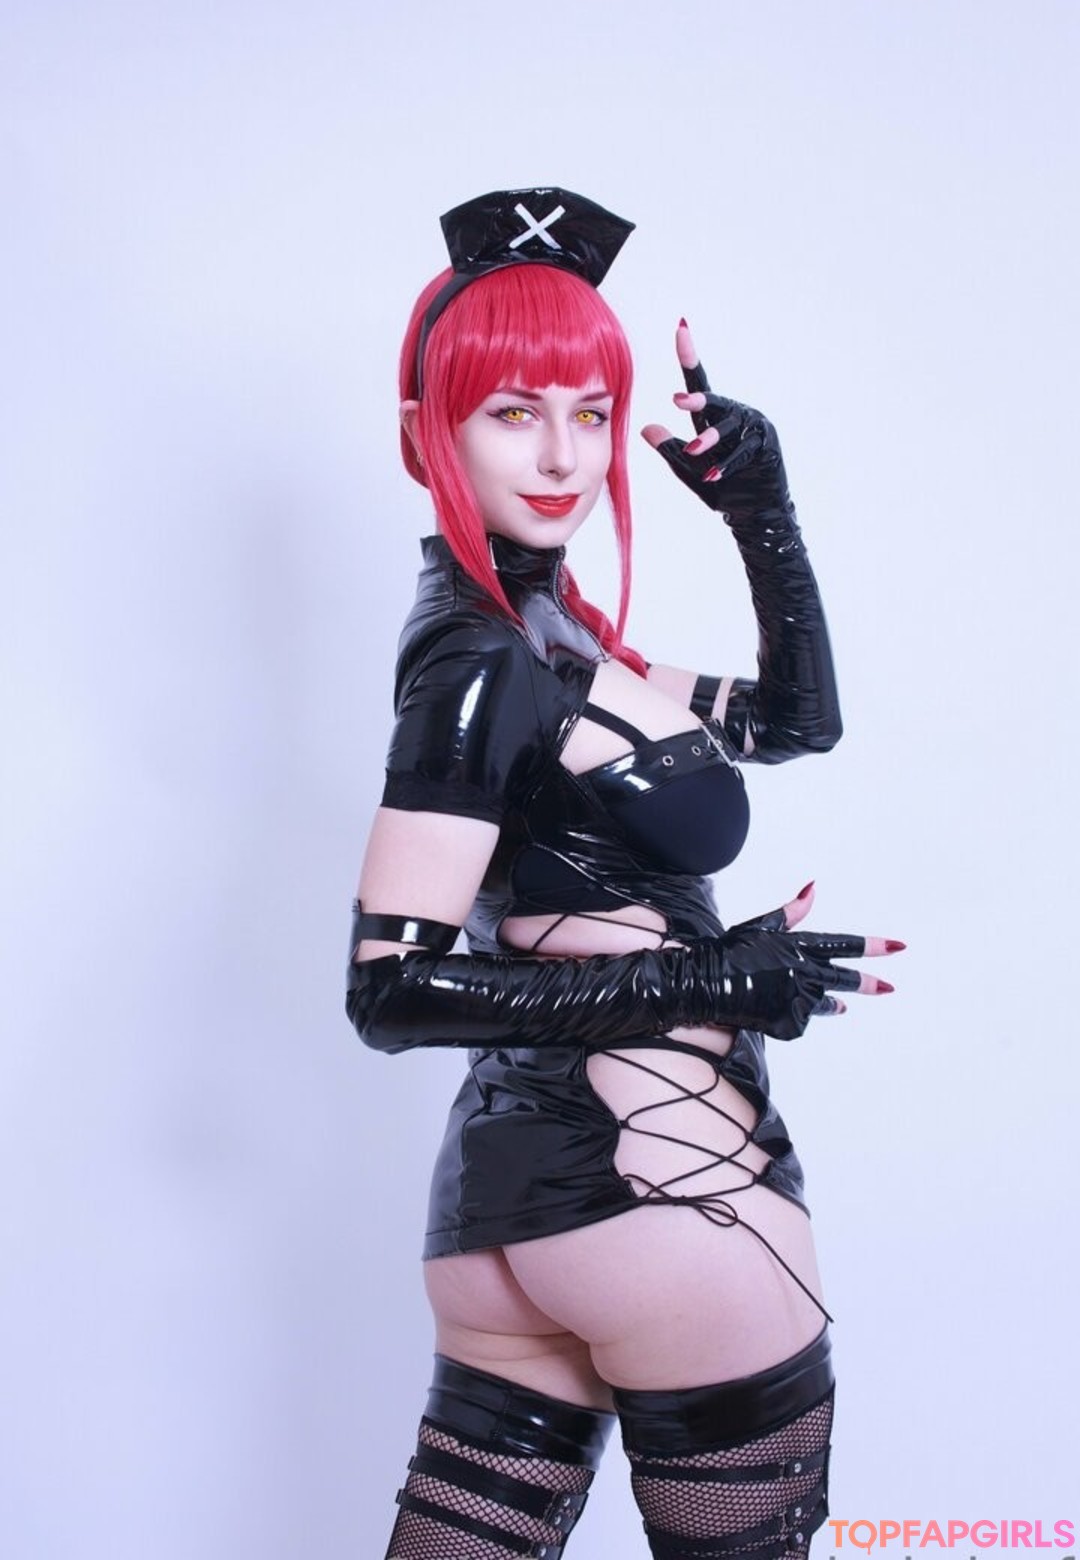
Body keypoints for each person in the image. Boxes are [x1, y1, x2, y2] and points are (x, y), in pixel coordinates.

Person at [346, 187, 901, 1560]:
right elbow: (390, 992)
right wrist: (714, 977)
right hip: (670, 1200)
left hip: (507, 1223)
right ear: (428, 430)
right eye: (512, 412)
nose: (562, 455)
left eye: (590, 414)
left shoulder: (559, 633)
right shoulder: (484, 658)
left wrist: (762, 514)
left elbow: (793, 722)